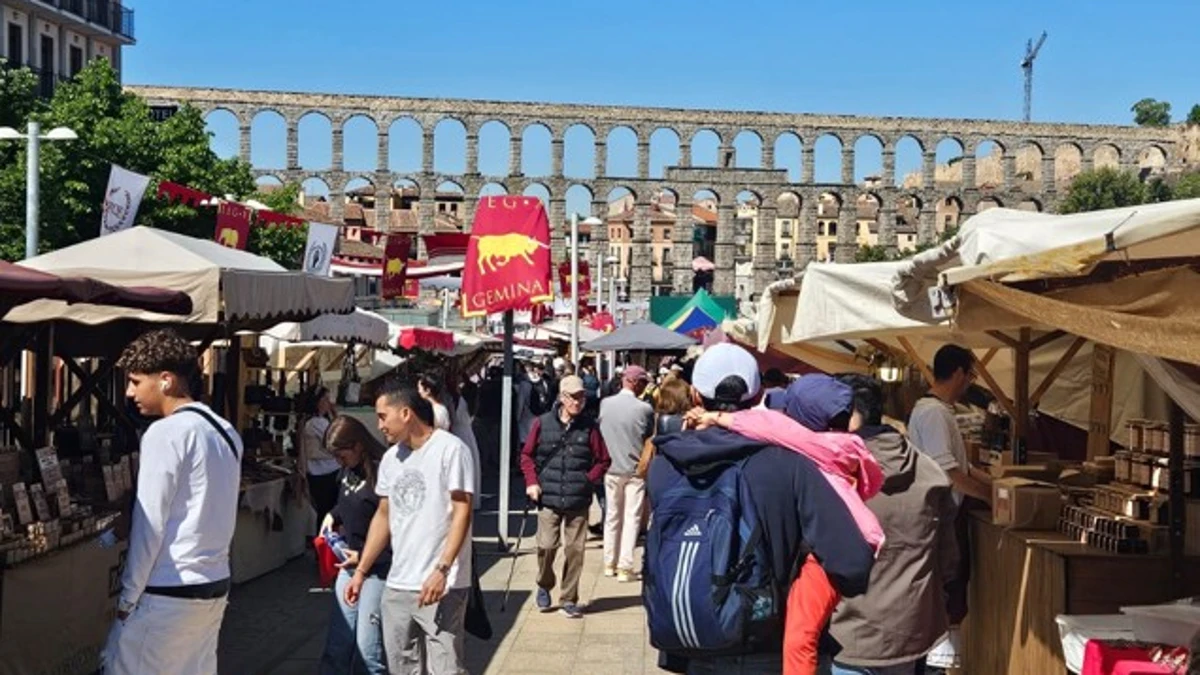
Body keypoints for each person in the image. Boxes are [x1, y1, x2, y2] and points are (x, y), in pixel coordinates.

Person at [645, 343, 874, 673]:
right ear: (759, 396)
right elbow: (852, 562)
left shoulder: (665, 465)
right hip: (770, 648)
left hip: (693, 647)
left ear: (694, 395)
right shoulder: (790, 465)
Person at [104, 329, 243, 674]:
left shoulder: (166, 433)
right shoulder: (225, 431)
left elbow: (149, 524)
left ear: (165, 380)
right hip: (212, 584)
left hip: (168, 588)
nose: (130, 392)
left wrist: (127, 599)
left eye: (136, 381)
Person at [820, 375, 959, 675]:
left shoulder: (833, 472)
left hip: (846, 634)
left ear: (850, 415)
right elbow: (948, 562)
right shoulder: (930, 472)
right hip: (911, 631)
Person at [347, 382, 476, 675]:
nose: (379, 425)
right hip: (399, 582)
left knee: (446, 668)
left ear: (405, 413)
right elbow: (383, 515)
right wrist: (361, 571)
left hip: (442, 584)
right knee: (401, 666)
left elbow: (463, 510)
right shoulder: (391, 459)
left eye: (383, 416)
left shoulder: (451, 450)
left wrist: (442, 569)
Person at [907, 344, 991, 672]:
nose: (969, 383)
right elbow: (949, 473)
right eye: (970, 376)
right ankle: (933, 664)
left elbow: (961, 467)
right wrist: (989, 497)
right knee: (945, 591)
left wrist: (996, 485)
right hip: (940, 516)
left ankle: (935, 663)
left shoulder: (936, 411)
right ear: (957, 373)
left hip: (941, 515)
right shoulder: (934, 413)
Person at [519, 375, 611, 619]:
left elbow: (604, 460)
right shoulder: (542, 423)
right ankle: (544, 582)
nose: (577, 402)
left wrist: (588, 480)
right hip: (548, 497)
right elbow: (526, 456)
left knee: (575, 551)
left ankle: (569, 598)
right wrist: (531, 482)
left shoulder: (590, 426)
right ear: (562, 397)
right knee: (546, 546)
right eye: (573, 397)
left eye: (581, 397)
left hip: (578, 499)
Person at [320, 416, 390, 675]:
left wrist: (363, 557)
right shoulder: (348, 471)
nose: (339, 461)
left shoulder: (381, 471)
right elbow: (349, 502)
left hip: (377, 568)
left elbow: (390, 525)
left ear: (358, 446)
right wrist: (333, 515)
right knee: (338, 643)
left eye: (341, 455)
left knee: (367, 651)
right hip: (348, 566)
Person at [598, 365, 655, 581]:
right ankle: (625, 566)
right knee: (632, 518)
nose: (644, 387)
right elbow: (649, 437)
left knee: (612, 516)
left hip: (610, 468)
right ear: (635, 382)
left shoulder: (605, 404)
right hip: (635, 469)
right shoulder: (644, 409)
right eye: (643, 382)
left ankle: (609, 563)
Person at [301, 386, 341, 534]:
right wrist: (335, 415)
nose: (328, 403)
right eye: (325, 399)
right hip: (323, 473)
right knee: (327, 512)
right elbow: (337, 438)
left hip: (326, 471)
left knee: (327, 511)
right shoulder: (316, 423)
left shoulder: (320, 421)